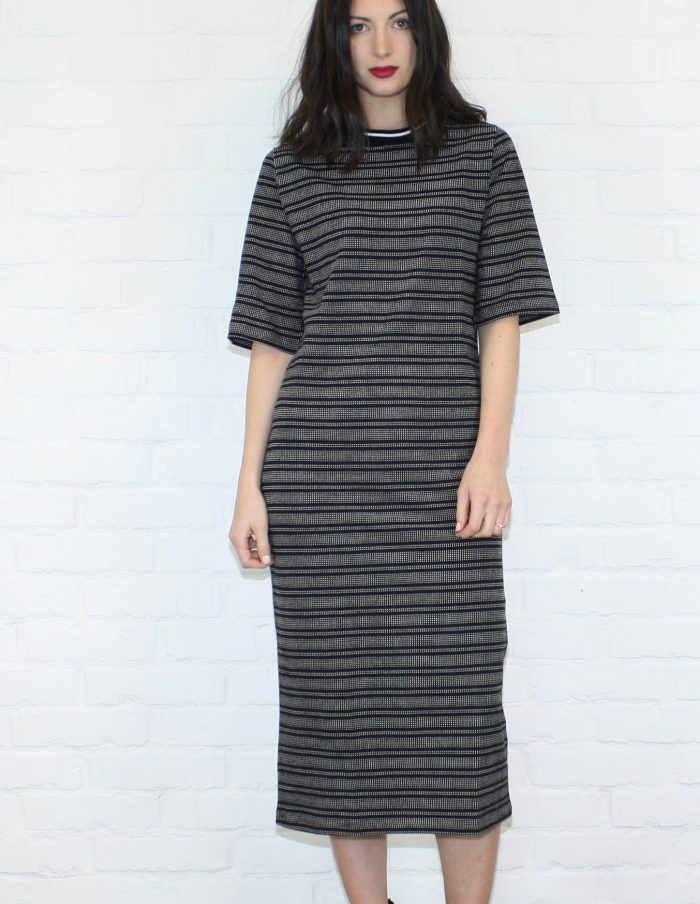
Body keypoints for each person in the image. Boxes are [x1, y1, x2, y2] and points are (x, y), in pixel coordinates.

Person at [227, 1, 560, 901]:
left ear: (426, 34)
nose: (380, 45)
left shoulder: (484, 157)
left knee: (459, 727)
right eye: (359, 25)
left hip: (445, 486)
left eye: (400, 21)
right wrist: (250, 485)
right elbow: (272, 339)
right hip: (321, 487)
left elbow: (501, 318)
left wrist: (490, 457)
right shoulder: (292, 170)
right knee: (341, 727)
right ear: (333, 40)